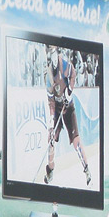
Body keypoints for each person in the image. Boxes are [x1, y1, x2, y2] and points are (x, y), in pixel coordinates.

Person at [44, 46, 91, 186]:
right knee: (51, 139)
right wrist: (51, 125)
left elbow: (73, 75)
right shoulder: (48, 77)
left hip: (68, 107)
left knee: (76, 140)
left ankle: (86, 169)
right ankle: (50, 169)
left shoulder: (65, 65)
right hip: (58, 108)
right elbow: (51, 103)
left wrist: (68, 93)